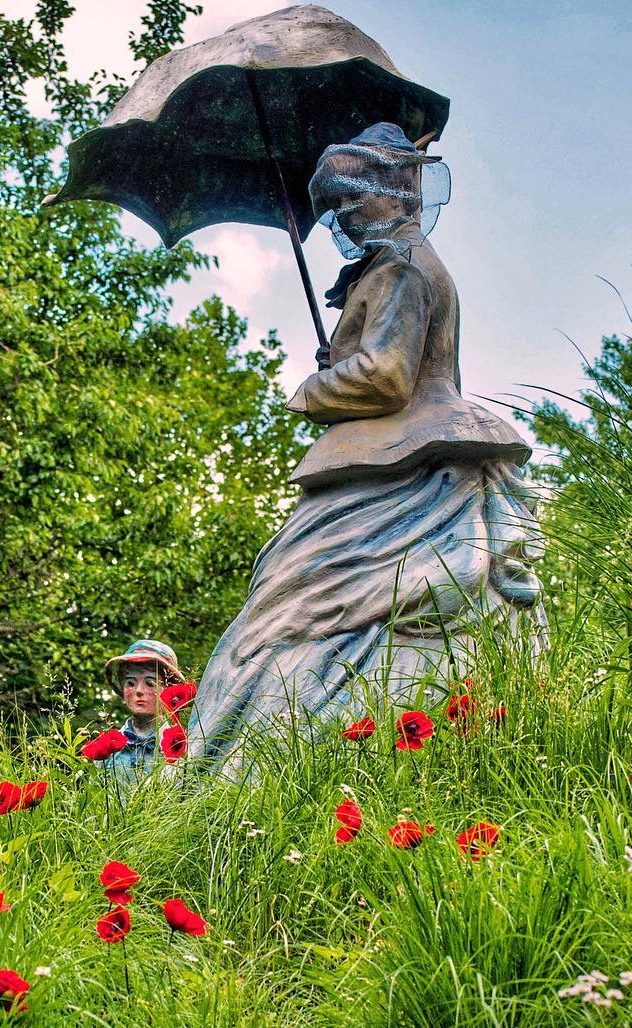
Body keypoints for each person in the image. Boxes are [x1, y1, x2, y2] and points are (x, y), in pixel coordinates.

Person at [187, 123, 546, 766]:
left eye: (355, 200)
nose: (346, 217)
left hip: (401, 460)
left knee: (298, 598)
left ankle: (257, 747)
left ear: (395, 192)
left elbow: (386, 376)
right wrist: (342, 353)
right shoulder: (396, 266)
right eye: (338, 206)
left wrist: (315, 387)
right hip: (416, 453)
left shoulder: (401, 269)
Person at [102, 639, 185, 782]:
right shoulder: (108, 750)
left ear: (169, 688)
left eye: (150, 683)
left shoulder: (182, 749)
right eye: (130, 683)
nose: (139, 691)